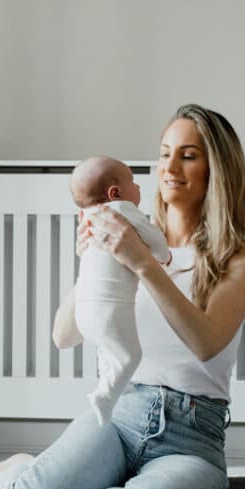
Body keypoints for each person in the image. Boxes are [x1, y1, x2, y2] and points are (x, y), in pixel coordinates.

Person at [0, 104, 245, 489]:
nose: (169, 168)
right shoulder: (123, 236)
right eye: (164, 153)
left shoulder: (240, 255)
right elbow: (63, 335)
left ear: (218, 168)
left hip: (192, 439)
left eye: (189, 155)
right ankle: (22, 474)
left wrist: (142, 263)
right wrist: (88, 263)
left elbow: (206, 342)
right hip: (118, 417)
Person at [69, 155, 171, 426]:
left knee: (108, 352)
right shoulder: (122, 210)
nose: (138, 188)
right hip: (109, 311)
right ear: (115, 193)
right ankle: (105, 396)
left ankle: (115, 388)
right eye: (134, 183)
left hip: (84, 313)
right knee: (130, 356)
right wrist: (162, 254)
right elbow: (155, 239)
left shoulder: (89, 220)